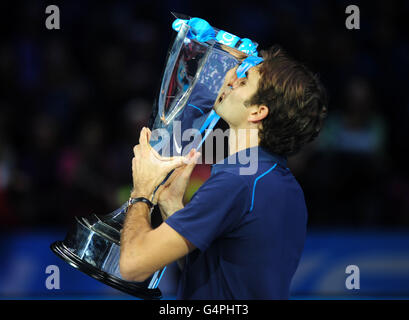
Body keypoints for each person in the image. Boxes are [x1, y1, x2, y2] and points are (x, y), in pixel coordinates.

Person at [119, 45, 327, 299]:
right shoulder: (282, 184)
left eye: (244, 80)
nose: (231, 79)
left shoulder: (238, 182)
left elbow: (133, 265)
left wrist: (142, 192)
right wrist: (171, 203)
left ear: (257, 111)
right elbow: (220, 272)